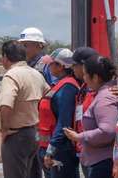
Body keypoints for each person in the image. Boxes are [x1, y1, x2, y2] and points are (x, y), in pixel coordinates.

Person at [64, 55, 118, 178]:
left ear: (96, 77)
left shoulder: (104, 98)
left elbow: (107, 131)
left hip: (103, 162)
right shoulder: (107, 93)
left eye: (86, 74)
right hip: (103, 160)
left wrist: (78, 137)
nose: (84, 78)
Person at [0, 40, 50, 178]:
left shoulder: (11, 76)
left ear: (6, 57)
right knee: (33, 173)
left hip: (16, 136)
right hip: (35, 134)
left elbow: (6, 105)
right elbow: (49, 98)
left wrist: (5, 130)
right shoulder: (36, 74)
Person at [39, 48, 79, 178]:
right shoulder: (59, 85)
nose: (48, 66)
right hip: (50, 147)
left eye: (51, 63)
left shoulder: (68, 88)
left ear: (61, 66)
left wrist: (51, 150)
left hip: (61, 150)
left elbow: (64, 122)